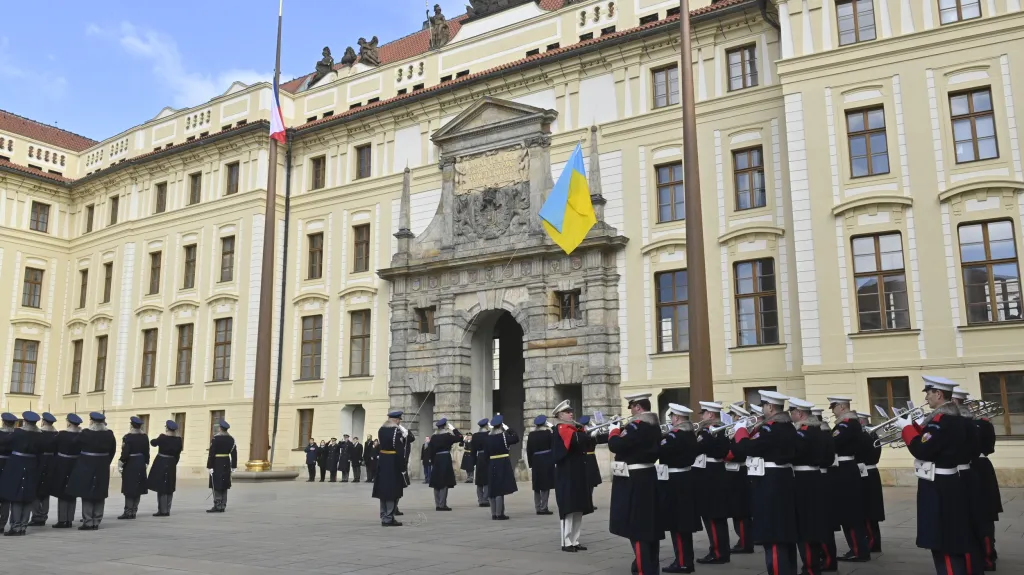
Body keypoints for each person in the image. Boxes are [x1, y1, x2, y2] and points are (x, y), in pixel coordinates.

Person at [895, 376, 973, 575]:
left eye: (929, 393)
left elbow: (922, 449)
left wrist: (906, 429)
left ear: (938, 394)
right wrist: (916, 428)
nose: (927, 397)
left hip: (938, 485)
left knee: (942, 539)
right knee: (949, 536)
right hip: (950, 481)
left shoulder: (942, 421)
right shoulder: (955, 420)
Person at [730, 391, 799, 575]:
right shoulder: (789, 427)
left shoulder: (770, 428)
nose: (762, 409)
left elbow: (745, 448)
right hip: (784, 479)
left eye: (763, 406)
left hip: (770, 482)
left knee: (773, 534)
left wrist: (741, 431)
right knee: (785, 533)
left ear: (770, 407)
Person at [598, 393, 662, 574]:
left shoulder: (637, 426)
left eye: (632, 407)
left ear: (638, 407)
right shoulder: (654, 425)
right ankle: (651, 566)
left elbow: (616, 445)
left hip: (634, 479)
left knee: (638, 528)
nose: (631, 411)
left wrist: (613, 430)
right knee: (650, 526)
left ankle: (643, 569)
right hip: (648, 476)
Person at [826, 396, 870, 563]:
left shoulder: (846, 424)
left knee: (850, 513)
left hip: (844, 470)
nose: (832, 410)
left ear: (842, 407)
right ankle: (857, 548)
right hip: (845, 468)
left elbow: (833, 443)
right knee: (848, 513)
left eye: (834, 407)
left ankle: (859, 550)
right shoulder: (850, 423)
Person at [789, 398, 830, 575]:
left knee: (804, 527)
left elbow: (792, 453)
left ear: (800, 413)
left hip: (803, 479)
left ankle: (810, 568)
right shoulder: (821, 431)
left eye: (792, 412)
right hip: (816, 477)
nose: (790, 415)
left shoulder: (803, 432)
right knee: (814, 524)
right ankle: (814, 565)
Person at [659, 403, 701, 573]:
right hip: (686, 478)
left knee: (677, 524)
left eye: (671, 417)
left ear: (676, 417)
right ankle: (685, 560)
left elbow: (660, 450)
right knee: (682, 524)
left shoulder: (675, 435)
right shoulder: (690, 434)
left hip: (675, 480)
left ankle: (683, 562)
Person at [550, 403, 593, 552]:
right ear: (560, 416)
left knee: (577, 507)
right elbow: (577, 440)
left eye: (570, 411)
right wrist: (586, 433)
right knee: (568, 508)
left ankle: (575, 540)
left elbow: (586, 442)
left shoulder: (574, 428)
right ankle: (566, 541)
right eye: (567, 412)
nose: (571, 414)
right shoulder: (562, 428)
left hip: (577, 472)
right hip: (566, 473)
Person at [66, 412, 116, 531]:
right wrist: (106, 461)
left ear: (92, 421)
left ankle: (88, 521)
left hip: (86, 465)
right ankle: (97, 520)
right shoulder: (109, 434)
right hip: (102, 465)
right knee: (100, 492)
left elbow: (74, 444)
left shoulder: (86, 433)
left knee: (87, 492)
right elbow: (112, 450)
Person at [695, 401, 732, 565]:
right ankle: (721, 550)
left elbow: (698, 447)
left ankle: (717, 552)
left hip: (709, 475)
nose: (702, 416)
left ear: (710, 414)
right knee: (718, 517)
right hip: (717, 473)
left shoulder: (708, 431)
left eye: (703, 413)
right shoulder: (722, 430)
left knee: (712, 516)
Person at [0, 411, 42, 536]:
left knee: (16, 497)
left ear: (25, 421)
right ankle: (23, 526)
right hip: (32, 466)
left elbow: (5, 442)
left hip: (17, 466)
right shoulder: (40, 435)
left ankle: (15, 526)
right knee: (28, 498)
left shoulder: (18, 432)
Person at [856, 411, 885, 555]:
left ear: (861, 422)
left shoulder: (867, 436)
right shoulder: (872, 436)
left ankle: (873, 542)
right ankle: (874, 541)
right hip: (871, 473)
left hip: (866, 473)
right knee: (870, 511)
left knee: (868, 511)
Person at [373, 410, 408, 526]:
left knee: (383, 490)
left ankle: (384, 515)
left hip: (383, 461)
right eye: (399, 420)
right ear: (397, 420)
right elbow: (399, 450)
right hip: (393, 462)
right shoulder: (396, 431)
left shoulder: (381, 429)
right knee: (393, 490)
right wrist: (402, 466)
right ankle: (389, 517)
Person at [49, 413, 82, 529]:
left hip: (62, 465)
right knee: (72, 493)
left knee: (62, 493)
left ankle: (62, 520)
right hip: (76, 465)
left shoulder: (62, 434)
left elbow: (52, 446)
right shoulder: (82, 435)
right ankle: (69, 520)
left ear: (68, 422)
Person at [484, 414, 519, 520]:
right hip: (502, 462)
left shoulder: (488, 437)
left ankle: (494, 513)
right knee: (500, 489)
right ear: (501, 425)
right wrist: (508, 428)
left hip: (492, 462)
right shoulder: (504, 436)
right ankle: (500, 513)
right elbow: (516, 438)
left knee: (493, 488)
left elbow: (486, 454)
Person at [28, 412, 58, 527]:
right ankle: (44, 516)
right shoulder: (56, 434)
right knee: (46, 492)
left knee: (35, 491)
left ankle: (37, 516)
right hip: (51, 463)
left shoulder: (39, 434)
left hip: (39, 463)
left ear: (43, 422)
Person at [147, 420, 183, 517]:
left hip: (161, 462)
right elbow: (178, 454)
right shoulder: (178, 440)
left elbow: (153, 443)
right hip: (171, 463)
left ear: (167, 428)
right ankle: (167, 509)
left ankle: (162, 510)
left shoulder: (162, 437)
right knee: (169, 486)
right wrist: (174, 462)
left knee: (161, 486)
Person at [118, 416, 150, 520]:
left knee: (129, 488)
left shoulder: (128, 437)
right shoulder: (145, 437)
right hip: (140, 462)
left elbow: (125, 452)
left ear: (131, 425)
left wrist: (121, 462)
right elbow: (147, 451)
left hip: (131, 463)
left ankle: (128, 511)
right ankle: (134, 511)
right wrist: (146, 462)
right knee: (138, 487)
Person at [428, 418, 462, 511]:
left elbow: (430, 451)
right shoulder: (447, 436)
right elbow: (460, 437)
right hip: (445, 458)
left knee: (436, 482)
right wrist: (454, 429)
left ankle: (437, 504)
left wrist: (433, 461)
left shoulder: (434, 437)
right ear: (445, 426)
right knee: (444, 482)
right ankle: (442, 504)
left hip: (436, 459)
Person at [526, 414, 555, 516]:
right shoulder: (548, 433)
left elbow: (528, 450)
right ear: (545, 423)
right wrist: (552, 426)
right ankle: (544, 507)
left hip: (535, 460)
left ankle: (537, 507)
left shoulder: (531, 435)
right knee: (545, 485)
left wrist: (530, 464)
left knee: (537, 485)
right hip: (546, 460)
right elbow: (555, 442)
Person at [206, 419, 237, 513]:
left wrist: (209, 466)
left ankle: (217, 505)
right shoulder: (231, 439)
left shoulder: (216, 439)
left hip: (217, 462)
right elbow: (234, 453)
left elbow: (211, 453)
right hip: (226, 462)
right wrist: (234, 466)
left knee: (216, 483)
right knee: (224, 484)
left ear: (220, 428)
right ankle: (223, 505)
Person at [578, 415, 602, 508]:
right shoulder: (587, 433)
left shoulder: (581, 432)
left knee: (589, 482)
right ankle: (588, 503)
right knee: (589, 482)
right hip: (589, 458)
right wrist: (595, 424)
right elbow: (596, 433)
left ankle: (587, 502)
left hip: (587, 458)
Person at [0, 412, 15, 532]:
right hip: (11, 466)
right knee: (6, 498)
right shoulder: (17, 435)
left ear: (3, 422)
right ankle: (2, 523)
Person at [472, 418, 491, 507]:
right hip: (488, 457)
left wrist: (473, 462)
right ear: (486, 425)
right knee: (487, 479)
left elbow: (472, 450)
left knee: (479, 480)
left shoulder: (475, 436)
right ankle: (486, 499)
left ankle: (480, 500)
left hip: (479, 457)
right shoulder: (489, 434)